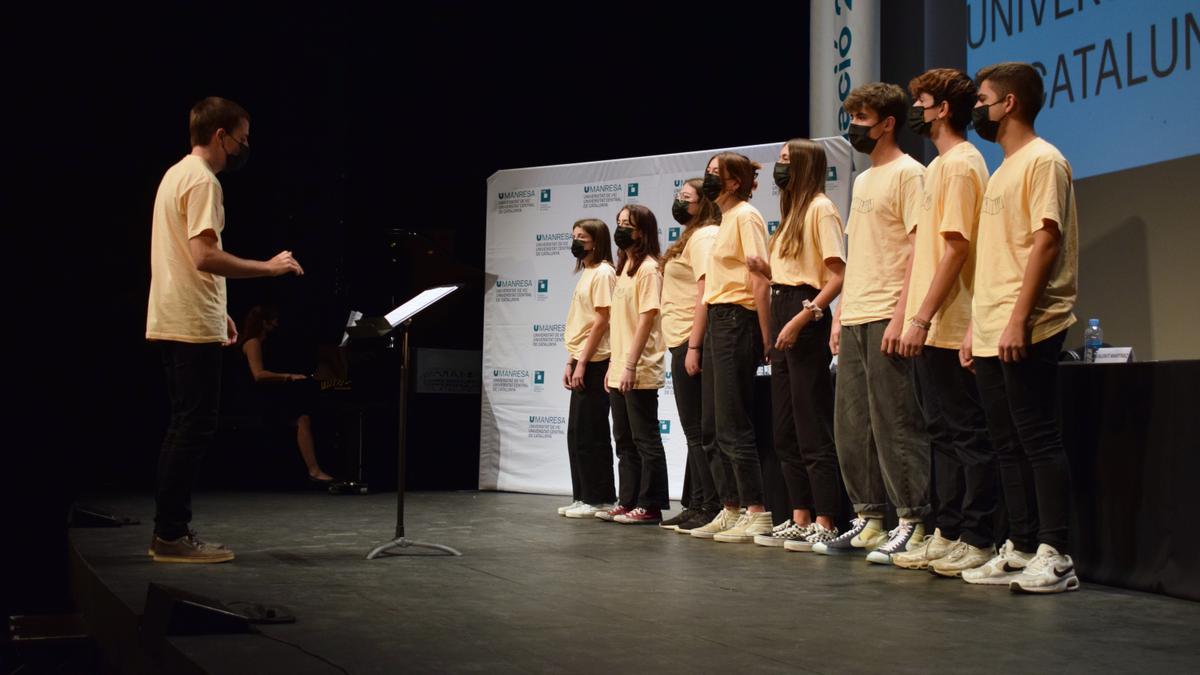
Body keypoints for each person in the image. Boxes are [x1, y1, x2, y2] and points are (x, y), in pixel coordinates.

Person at [145, 96, 303, 563]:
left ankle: (169, 533)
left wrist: (220, 311)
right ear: (221, 136)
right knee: (193, 427)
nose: (243, 147)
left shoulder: (175, 173)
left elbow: (183, 260)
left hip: (182, 314)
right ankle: (170, 535)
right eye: (242, 138)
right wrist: (269, 268)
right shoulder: (202, 181)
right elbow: (203, 256)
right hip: (188, 322)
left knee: (184, 426)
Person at [960, 62, 1080, 594]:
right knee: (1005, 444)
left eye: (983, 98)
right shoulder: (1001, 168)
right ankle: (1023, 545)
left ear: (1009, 103)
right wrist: (973, 327)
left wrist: (1016, 319)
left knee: (1037, 441)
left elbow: (1045, 242)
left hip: (1028, 323)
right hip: (990, 327)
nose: (977, 108)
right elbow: (994, 257)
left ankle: (1057, 554)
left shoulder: (1043, 160)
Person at [813, 83, 932, 562]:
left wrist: (903, 315)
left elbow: (920, 248)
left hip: (888, 313)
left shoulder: (911, 174)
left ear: (887, 123)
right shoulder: (862, 181)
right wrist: (840, 312)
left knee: (896, 422)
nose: (854, 126)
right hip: (858, 312)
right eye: (852, 116)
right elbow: (859, 255)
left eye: (863, 117)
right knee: (852, 424)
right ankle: (869, 517)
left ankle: (912, 520)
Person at [889, 68, 997, 575]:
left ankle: (976, 537)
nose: (918, 110)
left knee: (965, 433)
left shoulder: (960, 165)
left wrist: (924, 317)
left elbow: (957, 248)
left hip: (954, 322)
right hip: (933, 322)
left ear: (944, 109)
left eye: (923, 101)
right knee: (940, 431)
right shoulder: (938, 167)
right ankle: (947, 528)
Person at [745, 139, 845, 552]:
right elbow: (788, 270)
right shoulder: (790, 213)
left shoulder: (821, 208)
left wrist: (804, 317)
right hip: (785, 301)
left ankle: (826, 520)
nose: (779, 168)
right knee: (784, 427)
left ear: (804, 165)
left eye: (786, 161)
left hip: (807, 311)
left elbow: (835, 275)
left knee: (810, 422)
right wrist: (763, 270)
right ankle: (799, 516)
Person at [688, 152, 774, 544]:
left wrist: (765, 334)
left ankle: (755, 511)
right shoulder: (725, 219)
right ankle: (731, 507)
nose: (708, 180)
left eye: (713, 174)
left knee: (734, 422)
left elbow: (759, 277)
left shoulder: (746, 216)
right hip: (719, 321)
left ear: (734, 182)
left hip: (737, 320)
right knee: (715, 425)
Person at [656, 178, 724, 533]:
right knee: (692, 431)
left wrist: (694, 344)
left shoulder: (705, 236)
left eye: (685, 198)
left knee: (700, 430)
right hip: (679, 339)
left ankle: (711, 505)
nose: (679, 203)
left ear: (703, 203)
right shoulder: (689, 237)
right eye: (677, 196)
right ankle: (697, 502)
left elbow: (705, 292)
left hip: (691, 339)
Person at [595, 204, 669, 524]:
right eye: (619, 222)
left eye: (629, 224)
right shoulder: (624, 267)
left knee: (644, 438)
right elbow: (619, 324)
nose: (622, 228)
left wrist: (629, 365)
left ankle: (650, 505)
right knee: (624, 439)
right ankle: (627, 500)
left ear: (644, 231)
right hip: (620, 365)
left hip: (639, 367)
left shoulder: (650, 268)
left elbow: (645, 319)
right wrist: (613, 364)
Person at [559, 219, 619, 518]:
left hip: (597, 361)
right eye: (574, 236)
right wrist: (571, 359)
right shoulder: (587, 272)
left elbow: (602, 320)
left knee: (591, 431)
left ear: (595, 241)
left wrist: (582, 361)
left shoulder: (605, 273)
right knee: (577, 432)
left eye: (581, 237)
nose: (576, 241)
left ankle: (599, 497)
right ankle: (583, 495)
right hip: (582, 357)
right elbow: (581, 323)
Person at [239, 305, 336, 485]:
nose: (277, 323)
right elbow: (258, 375)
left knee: (305, 412)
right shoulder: (252, 342)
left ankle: (318, 465)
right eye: (274, 319)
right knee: (303, 417)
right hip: (254, 400)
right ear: (263, 322)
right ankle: (314, 470)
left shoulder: (266, 342)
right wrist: (288, 376)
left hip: (267, 396)